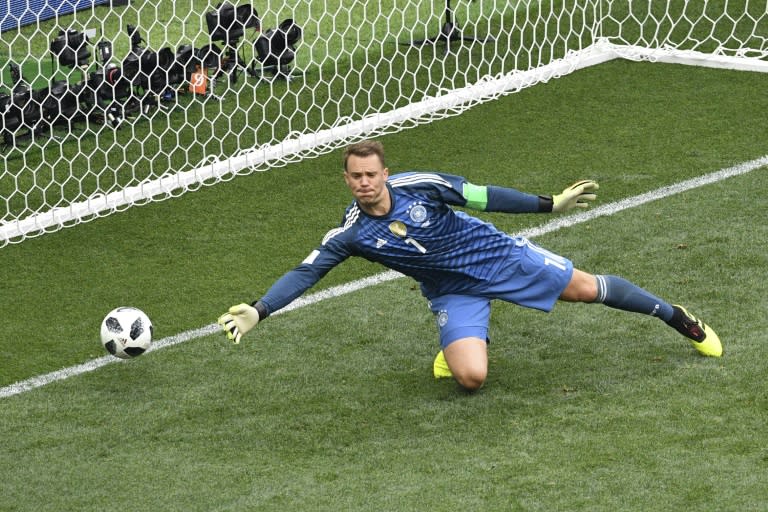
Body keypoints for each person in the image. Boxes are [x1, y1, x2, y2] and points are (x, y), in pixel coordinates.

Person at [219, 140, 722, 391]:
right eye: (356, 176)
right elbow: (307, 272)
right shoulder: (349, 233)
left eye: (372, 174)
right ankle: (469, 334)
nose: (365, 183)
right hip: (450, 288)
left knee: (587, 290)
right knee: (470, 380)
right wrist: (260, 310)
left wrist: (549, 204)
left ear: (385, 173)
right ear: (346, 179)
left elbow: (482, 196)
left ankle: (675, 316)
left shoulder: (420, 185)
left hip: (499, 258)